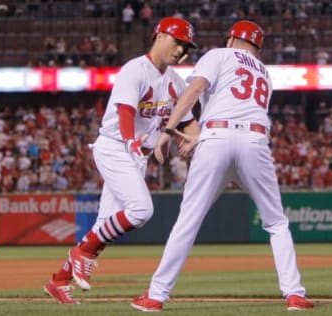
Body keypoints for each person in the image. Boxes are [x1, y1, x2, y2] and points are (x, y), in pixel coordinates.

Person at [131, 20, 314, 312]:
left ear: (231, 40)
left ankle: (156, 296)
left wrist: (168, 131)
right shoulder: (264, 73)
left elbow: (193, 93)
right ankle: (295, 294)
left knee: (188, 219)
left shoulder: (218, 54)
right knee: (277, 223)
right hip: (255, 140)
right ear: (257, 48)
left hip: (216, 138)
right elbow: (238, 111)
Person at [43, 16, 199, 304]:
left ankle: (59, 280)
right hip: (116, 146)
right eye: (178, 42)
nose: (181, 50)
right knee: (141, 210)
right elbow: (125, 111)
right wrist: (130, 141)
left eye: (186, 47)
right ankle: (82, 253)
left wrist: (195, 137)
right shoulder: (135, 70)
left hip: (136, 155)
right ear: (160, 36)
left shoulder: (176, 82)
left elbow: (189, 122)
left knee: (105, 225)